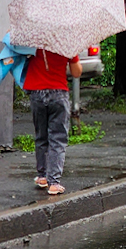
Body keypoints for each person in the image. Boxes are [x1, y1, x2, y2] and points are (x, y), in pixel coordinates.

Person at [23, 48, 81, 196]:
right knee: (58, 138)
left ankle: (42, 176)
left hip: (36, 92)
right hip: (58, 93)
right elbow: (76, 72)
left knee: (41, 136)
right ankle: (54, 182)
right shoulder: (65, 43)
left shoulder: (33, 42)